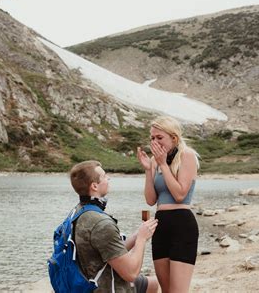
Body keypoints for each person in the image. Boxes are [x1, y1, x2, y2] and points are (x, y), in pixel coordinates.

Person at [70, 160, 160, 293]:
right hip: (105, 287)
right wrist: (141, 239)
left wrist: (136, 235)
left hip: (85, 282)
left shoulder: (78, 212)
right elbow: (131, 273)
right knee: (156, 282)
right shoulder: (101, 224)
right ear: (94, 186)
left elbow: (110, 249)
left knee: (152, 283)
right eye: (105, 176)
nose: (108, 178)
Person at [136, 116, 200, 293]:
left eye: (159, 137)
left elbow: (180, 194)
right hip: (161, 225)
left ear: (174, 138)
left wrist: (163, 164)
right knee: (166, 290)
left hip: (182, 224)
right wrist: (149, 169)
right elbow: (150, 200)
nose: (155, 142)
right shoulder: (155, 160)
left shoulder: (187, 155)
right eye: (152, 138)